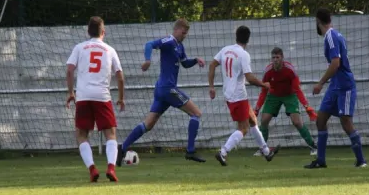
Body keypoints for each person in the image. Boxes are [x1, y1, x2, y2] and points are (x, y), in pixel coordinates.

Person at [117, 18, 206, 165]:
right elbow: (149, 44)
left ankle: (123, 148)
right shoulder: (169, 42)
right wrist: (147, 60)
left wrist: (196, 60)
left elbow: (185, 64)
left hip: (162, 89)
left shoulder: (179, 46)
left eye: (186, 34)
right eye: (183, 33)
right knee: (196, 113)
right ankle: (190, 151)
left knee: (148, 124)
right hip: (168, 88)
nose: (184, 36)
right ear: (176, 30)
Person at [208, 25, 279, 166]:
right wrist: (264, 85)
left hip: (229, 94)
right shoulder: (243, 55)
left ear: (236, 36)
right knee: (243, 128)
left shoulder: (225, 50)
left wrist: (211, 86)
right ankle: (223, 152)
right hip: (238, 96)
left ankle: (266, 152)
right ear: (248, 39)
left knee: (253, 120)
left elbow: (211, 65)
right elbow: (250, 78)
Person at [306, 8, 367, 169]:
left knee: (346, 122)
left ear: (318, 21)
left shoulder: (332, 37)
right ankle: (320, 160)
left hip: (344, 85)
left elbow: (336, 63)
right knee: (321, 119)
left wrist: (320, 83)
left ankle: (361, 160)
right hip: (335, 85)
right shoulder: (334, 35)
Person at [66, 16, 125, 182]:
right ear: (103, 32)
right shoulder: (110, 50)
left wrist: (71, 92)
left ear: (88, 32)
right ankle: (111, 168)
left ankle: (92, 169)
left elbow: (69, 70)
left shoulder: (79, 47)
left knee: (81, 135)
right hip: (102, 96)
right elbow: (120, 76)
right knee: (110, 133)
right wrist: (121, 97)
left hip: (84, 96)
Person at [254, 47, 318, 156]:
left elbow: (297, 89)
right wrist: (257, 108)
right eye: (273, 57)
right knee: (264, 120)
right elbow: (264, 90)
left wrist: (307, 107)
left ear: (282, 58)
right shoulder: (268, 71)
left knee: (296, 122)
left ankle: (313, 146)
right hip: (273, 95)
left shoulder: (290, 70)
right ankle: (263, 149)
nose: (275, 60)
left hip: (289, 95)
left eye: (277, 57)